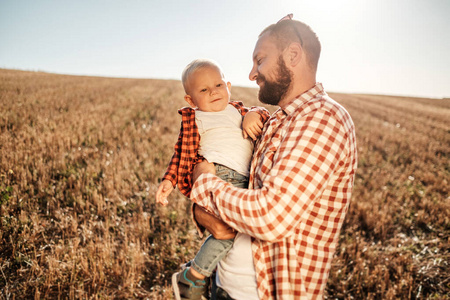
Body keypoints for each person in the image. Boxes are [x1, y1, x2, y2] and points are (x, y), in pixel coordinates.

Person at [190, 14, 358, 299]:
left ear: (293, 54)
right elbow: (236, 189)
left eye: (260, 60)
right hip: (224, 284)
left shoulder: (323, 118)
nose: (252, 74)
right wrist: (201, 210)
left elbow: (271, 217)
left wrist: (204, 186)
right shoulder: (280, 119)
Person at [155, 58, 270, 300]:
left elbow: (263, 115)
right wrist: (169, 180)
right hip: (219, 176)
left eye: (218, 85)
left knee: (230, 235)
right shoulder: (195, 119)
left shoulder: (238, 110)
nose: (214, 92)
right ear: (191, 100)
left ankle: (200, 274)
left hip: (245, 180)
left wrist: (254, 113)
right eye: (204, 90)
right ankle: (194, 277)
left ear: (228, 86)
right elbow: (181, 153)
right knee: (228, 233)